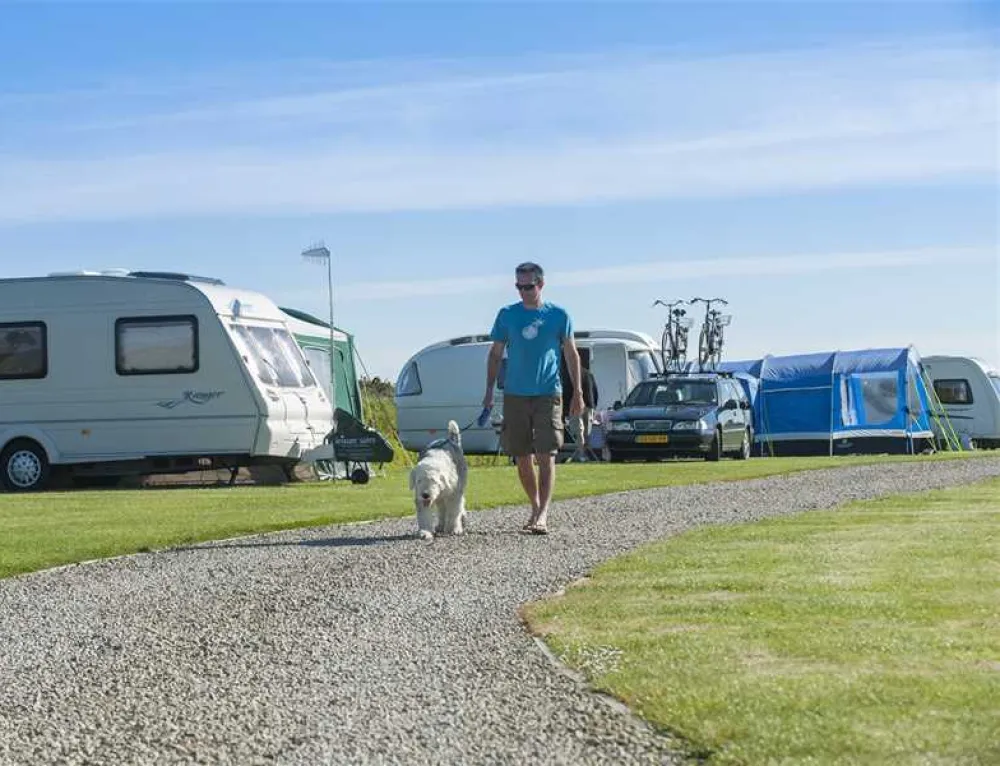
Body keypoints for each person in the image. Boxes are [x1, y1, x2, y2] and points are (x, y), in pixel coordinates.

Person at [483, 262, 584, 534]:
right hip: (515, 392)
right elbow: (495, 354)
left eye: (528, 286)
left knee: (546, 452)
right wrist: (489, 391)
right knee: (522, 454)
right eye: (519, 286)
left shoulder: (558, 315)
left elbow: (571, 354)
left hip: (548, 392)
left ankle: (543, 514)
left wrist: (578, 392)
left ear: (540, 285)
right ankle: (534, 504)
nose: (523, 292)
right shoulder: (507, 315)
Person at [567, 364, 599, 461]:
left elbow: (568, 391)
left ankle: (581, 454)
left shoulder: (571, 375)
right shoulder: (589, 374)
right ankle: (588, 453)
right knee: (587, 432)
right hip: (590, 405)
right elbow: (595, 390)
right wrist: (594, 405)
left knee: (579, 430)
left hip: (576, 405)